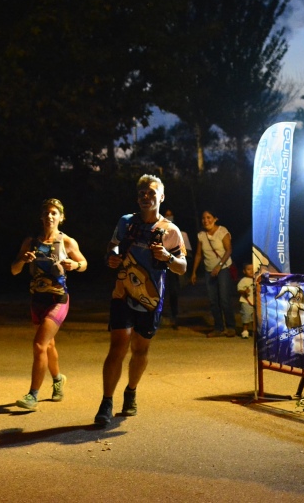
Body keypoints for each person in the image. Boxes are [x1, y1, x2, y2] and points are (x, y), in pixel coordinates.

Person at [94, 175, 186, 426]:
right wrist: (111, 258)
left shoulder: (170, 231)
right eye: (142, 193)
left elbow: (182, 267)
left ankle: (131, 391)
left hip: (151, 298)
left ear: (161, 197)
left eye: (152, 193)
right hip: (122, 293)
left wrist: (167, 257)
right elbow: (112, 248)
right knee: (118, 346)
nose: (146, 197)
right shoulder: (126, 223)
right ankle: (106, 402)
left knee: (140, 349)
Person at [11, 198, 87, 411]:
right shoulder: (30, 242)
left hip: (58, 299)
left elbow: (84, 263)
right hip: (37, 300)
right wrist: (22, 261)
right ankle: (58, 379)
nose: (50, 216)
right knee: (49, 345)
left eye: (54, 213)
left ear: (61, 217)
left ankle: (32, 395)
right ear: (41, 217)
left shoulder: (67, 242)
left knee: (39, 345)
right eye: (46, 213)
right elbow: (14, 270)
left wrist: (75, 264)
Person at [190, 210, 237, 338]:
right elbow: (199, 254)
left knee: (224, 299)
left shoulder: (222, 231)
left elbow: (229, 250)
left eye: (209, 217)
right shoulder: (201, 235)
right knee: (212, 301)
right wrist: (193, 272)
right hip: (208, 270)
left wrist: (219, 266)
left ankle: (231, 327)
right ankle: (218, 328)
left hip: (223, 269)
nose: (206, 220)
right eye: (203, 218)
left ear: (215, 218)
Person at [162, 209, 191, 330]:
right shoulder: (159, 233)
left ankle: (174, 316)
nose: (169, 217)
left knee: (173, 292)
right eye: (167, 215)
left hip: (174, 268)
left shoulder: (182, 234)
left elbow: (188, 252)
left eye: (171, 215)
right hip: (160, 267)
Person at [237, 263, 256, 339]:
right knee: (246, 316)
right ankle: (245, 331)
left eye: (253, 269)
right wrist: (244, 291)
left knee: (254, 318)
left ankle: (254, 331)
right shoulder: (244, 280)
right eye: (248, 269)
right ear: (244, 271)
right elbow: (239, 289)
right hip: (246, 302)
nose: (251, 271)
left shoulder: (257, 279)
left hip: (255, 302)